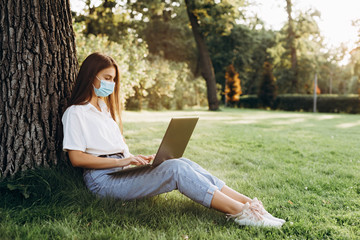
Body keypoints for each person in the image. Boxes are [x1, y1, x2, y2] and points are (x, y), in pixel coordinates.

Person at [61, 52, 285, 228]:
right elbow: (77, 159)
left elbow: (116, 150)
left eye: (113, 79)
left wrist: (139, 160)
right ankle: (242, 214)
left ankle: (252, 206)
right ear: (91, 77)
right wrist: (123, 162)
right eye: (107, 78)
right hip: (102, 181)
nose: (111, 84)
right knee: (176, 169)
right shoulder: (76, 113)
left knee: (182, 162)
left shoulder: (104, 110)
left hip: (120, 171)